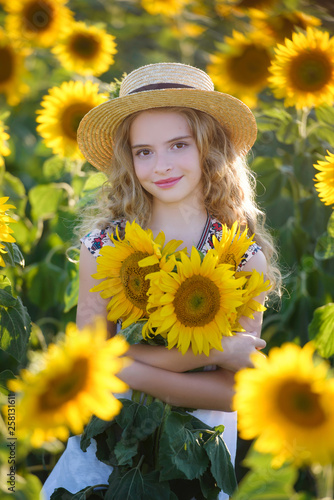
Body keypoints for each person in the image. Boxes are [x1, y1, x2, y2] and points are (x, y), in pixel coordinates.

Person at [42, 62, 280, 500]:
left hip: (194, 451)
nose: (161, 165)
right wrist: (214, 350)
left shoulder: (242, 258)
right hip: (113, 443)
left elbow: (232, 394)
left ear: (209, 148)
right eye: (144, 151)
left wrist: (124, 364)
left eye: (178, 145)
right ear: (128, 160)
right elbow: (90, 364)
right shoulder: (104, 248)